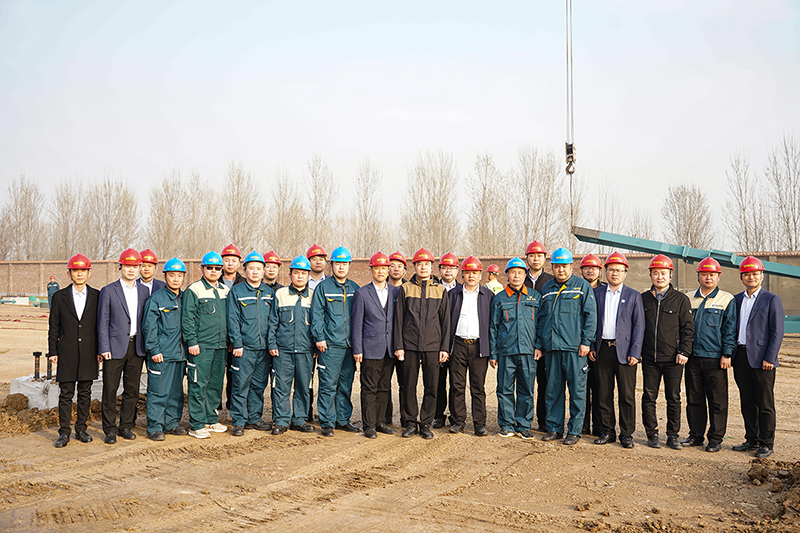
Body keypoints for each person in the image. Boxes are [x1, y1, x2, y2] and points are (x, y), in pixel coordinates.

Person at [535, 247, 597, 446]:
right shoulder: (547, 288)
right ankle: (554, 428)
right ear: (552, 267)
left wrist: (586, 342)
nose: (561, 270)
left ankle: (575, 431)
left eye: (564, 266)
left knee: (577, 391)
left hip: (575, 349)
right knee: (553, 390)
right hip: (552, 348)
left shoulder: (581, 286)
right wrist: (540, 344)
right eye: (557, 266)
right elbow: (541, 318)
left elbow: (590, 316)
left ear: (571, 266)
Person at [394, 248, 450, 440]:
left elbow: (446, 322)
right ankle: (410, 422)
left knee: (431, 386)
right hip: (409, 345)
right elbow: (398, 320)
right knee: (408, 386)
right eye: (420, 264)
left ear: (432, 266)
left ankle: (426, 423)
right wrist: (399, 346)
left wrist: (444, 348)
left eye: (427, 264)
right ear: (414, 266)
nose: (423, 267)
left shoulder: (440, 290)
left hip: (433, 346)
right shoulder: (405, 289)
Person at [589, 252, 644, 449]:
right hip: (602, 349)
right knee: (603, 393)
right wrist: (592, 346)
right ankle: (607, 431)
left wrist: (635, 352)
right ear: (605, 272)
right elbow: (592, 322)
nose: (615, 273)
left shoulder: (633, 296)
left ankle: (626, 434)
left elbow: (639, 326)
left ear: (625, 273)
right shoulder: (597, 294)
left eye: (619, 270)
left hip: (625, 352)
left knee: (627, 395)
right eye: (611, 269)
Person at [682, 257, 737, 453]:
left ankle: (715, 439)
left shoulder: (727, 299)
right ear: (698, 275)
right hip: (692, 358)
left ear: (718, 277)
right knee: (694, 399)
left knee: (717, 401)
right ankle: (696, 435)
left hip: (715, 359)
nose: (708, 278)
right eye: (704, 274)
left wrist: (727, 353)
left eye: (712, 274)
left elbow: (730, 330)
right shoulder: (688, 298)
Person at [732, 256, 784, 459]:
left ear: (762, 276)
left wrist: (770, 357)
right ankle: (751, 439)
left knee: (764, 403)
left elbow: (777, 331)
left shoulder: (771, 299)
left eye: (755, 274)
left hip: (763, 359)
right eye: (747, 274)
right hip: (741, 356)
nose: (751, 277)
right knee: (747, 401)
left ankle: (766, 443)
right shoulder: (736, 300)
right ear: (741, 277)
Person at [97, 248, 150, 444]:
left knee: (132, 389)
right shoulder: (109, 291)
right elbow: (103, 321)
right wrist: (104, 347)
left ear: (139, 268)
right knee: (110, 389)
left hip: (136, 346)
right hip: (114, 347)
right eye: (127, 266)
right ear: (120, 267)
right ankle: (110, 429)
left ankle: (126, 426)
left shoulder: (144, 291)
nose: (131, 270)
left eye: (135, 266)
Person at [640, 254, 693, 450]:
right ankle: (652, 434)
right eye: (656, 273)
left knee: (674, 398)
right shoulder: (643, 299)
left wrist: (684, 351)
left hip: (673, 359)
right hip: (649, 358)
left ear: (671, 275)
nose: (659, 277)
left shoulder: (681, 300)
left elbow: (688, 329)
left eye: (663, 273)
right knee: (649, 397)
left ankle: (672, 436)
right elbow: (637, 327)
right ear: (650, 275)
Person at [48, 254, 99, 448]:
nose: (79, 274)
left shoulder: (97, 296)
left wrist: (101, 349)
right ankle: (64, 432)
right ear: (69, 273)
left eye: (83, 271)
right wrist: (53, 351)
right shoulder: (59, 297)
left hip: (89, 352)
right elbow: (54, 326)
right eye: (75, 271)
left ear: (89, 273)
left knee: (85, 393)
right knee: (66, 393)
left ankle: (81, 429)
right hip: (66, 352)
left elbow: (100, 326)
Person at [311, 246, 360, 436]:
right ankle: (327, 422)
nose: (341, 267)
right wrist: (319, 338)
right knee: (328, 385)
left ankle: (343, 420)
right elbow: (316, 315)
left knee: (345, 385)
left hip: (349, 346)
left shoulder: (355, 288)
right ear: (331, 265)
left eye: (344, 264)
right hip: (330, 346)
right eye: (338, 263)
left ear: (349, 265)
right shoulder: (323, 288)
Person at [181, 251, 230, 439]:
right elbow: (188, 318)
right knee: (198, 384)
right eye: (210, 267)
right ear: (202, 269)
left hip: (221, 346)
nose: (214, 271)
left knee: (215, 385)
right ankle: (196, 424)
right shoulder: (194, 290)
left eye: (217, 268)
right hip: (201, 347)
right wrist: (192, 341)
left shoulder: (225, 290)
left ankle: (211, 419)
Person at [489, 257, 540, 439]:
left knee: (526, 390)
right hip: (506, 352)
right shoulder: (499, 298)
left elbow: (541, 324)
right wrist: (493, 353)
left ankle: (523, 425)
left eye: (520, 273)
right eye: (513, 272)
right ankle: (507, 425)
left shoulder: (535, 297)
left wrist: (539, 346)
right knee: (505, 389)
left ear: (525, 275)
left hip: (528, 351)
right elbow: (493, 327)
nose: (516, 276)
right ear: (507, 275)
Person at [227, 252, 275, 436]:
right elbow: (233, 319)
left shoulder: (269, 293)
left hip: (263, 349)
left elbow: (273, 321)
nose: (255, 272)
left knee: (258, 385)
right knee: (240, 384)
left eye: (258, 268)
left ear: (263, 271)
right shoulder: (236, 292)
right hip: (244, 349)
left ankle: (254, 418)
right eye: (251, 268)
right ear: (245, 269)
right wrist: (237, 343)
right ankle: (239, 421)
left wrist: (271, 344)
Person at [351, 252, 399, 439]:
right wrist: (358, 349)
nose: (381, 271)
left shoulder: (395, 292)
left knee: (384, 387)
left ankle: (380, 421)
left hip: (389, 349)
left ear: (388, 270)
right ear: (371, 270)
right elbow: (357, 323)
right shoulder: (362, 293)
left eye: (384, 268)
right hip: (370, 348)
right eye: (377, 268)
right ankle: (369, 425)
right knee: (369, 388)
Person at [142, 258, 189, 441]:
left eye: (179, 276)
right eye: (172, 275)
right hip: (161, 355)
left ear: (183, 277)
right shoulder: (156, 299)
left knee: (176, 392)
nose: (176, 279)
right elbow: (149, 327)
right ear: (165, 276)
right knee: (158, 392)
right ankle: (155, 426)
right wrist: (154, 350)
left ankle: (171, 423)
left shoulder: (186, 298)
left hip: (180, 355)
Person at [269, 256, 315, 435]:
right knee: (281, 387)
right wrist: (272, 343)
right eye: (297, 273)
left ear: (308, 275)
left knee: (303, 387)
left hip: (306, 350)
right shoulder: (280, 294)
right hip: (283, 351)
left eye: (304, 273)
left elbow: (318, 322)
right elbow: (273, 321)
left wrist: (316, 345)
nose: (300, 276)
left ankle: (300, 420)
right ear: (290, 275)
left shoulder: (314, 295)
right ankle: (281, 420)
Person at [449, 256, 494, 436]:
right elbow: (446, 323)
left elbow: (493, 325)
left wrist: (492, 351)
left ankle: (479, 424)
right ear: (462, 274)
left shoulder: (488, 296)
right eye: (468, 272)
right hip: (458, 345)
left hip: (479, 347)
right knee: (457, 386)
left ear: (481, 275)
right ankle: (458, 421)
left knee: (478, 387)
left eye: (475, 273)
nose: (471, 276)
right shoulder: (452, 295)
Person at [524, 240, 554, 433]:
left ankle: (544, 421)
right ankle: (523, 420)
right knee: (524, 384)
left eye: (539, 255)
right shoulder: (519, 279)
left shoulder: (551, 281)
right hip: (524, 340)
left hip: (545, 341)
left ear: (545, 258)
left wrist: (542, 343)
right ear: (526, 258)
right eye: (532, 255)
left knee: (545, 383)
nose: (536, 259)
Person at [433, 252, 460, 428]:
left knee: (457, 382)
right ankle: (438, 415)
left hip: (457, 344)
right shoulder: (433, 289)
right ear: (439, 270)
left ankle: (456, 417)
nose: (448, 271)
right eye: (444, 268)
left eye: (451, 268)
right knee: (438, 381)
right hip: (437, 342)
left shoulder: (464, 290)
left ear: (457, 270)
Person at [580, 253, 605, 436]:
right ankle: (582, 424)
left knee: (599, 388)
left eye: (594, 268)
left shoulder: (605, 291)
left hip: (599, 347)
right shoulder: (576, 288)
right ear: (581, 270)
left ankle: (598, 425)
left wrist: (593, 345)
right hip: (580, 346)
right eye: (587, 268)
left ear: (600, 271)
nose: (590, 271)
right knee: (581, 388)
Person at [385, 251, 408, 427]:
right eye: (392, 265)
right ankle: (385, 419)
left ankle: (406, 419)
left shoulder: (409, 289)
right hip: (384, 344)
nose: (395, 269)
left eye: (400, 266)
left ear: (405, 270)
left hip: (405, 345)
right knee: (384, 383)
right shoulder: (379, 288)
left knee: (406, 383)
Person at [220, 243, 244, 412]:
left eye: (233, 260)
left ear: (239, 263)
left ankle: (231, 407)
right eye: (227, 260)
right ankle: (214, 407)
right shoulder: (214, 281)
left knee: (234, 374)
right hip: (218, 336)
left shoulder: (244, 283)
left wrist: (235, 340)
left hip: (238, 340)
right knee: (215, 374)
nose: (230, 263)